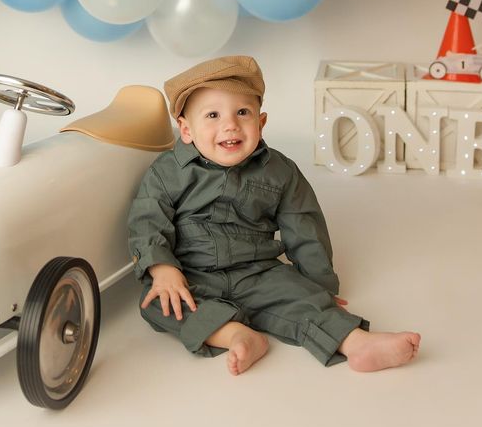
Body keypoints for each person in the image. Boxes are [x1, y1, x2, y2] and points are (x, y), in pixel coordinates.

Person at [127, 55, 421, 376]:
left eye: (243, 112)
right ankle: (237, 335)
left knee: (302, 299)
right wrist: (163, 268)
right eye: (212, 115)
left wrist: (318, 285)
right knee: (157, 303)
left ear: (261, 122)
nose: (230, 125)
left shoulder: (279, 171)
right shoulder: (167, 172)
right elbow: (147, 220)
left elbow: (305, 225)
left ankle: (358, 343)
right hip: (192, 274)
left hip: (260, 272)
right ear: (186, 129)